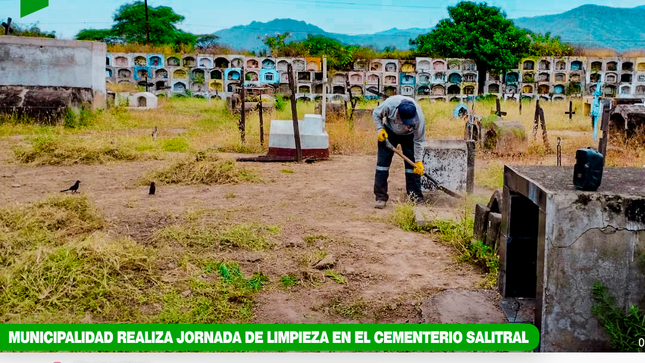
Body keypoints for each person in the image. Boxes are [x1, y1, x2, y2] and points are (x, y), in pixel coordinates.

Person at [372, 95, 425, 209]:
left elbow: (419, 141)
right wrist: (380, 129)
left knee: (412, 167)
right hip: (389, 132)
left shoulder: (419, 118)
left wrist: (419, 161)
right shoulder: (389, 105)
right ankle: (380, 197)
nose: (407, 126)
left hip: (409, 137)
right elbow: (376, 113)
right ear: (398, 115)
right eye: (405, 122)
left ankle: (415, 197)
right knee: (382, 166)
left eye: (410, 123)